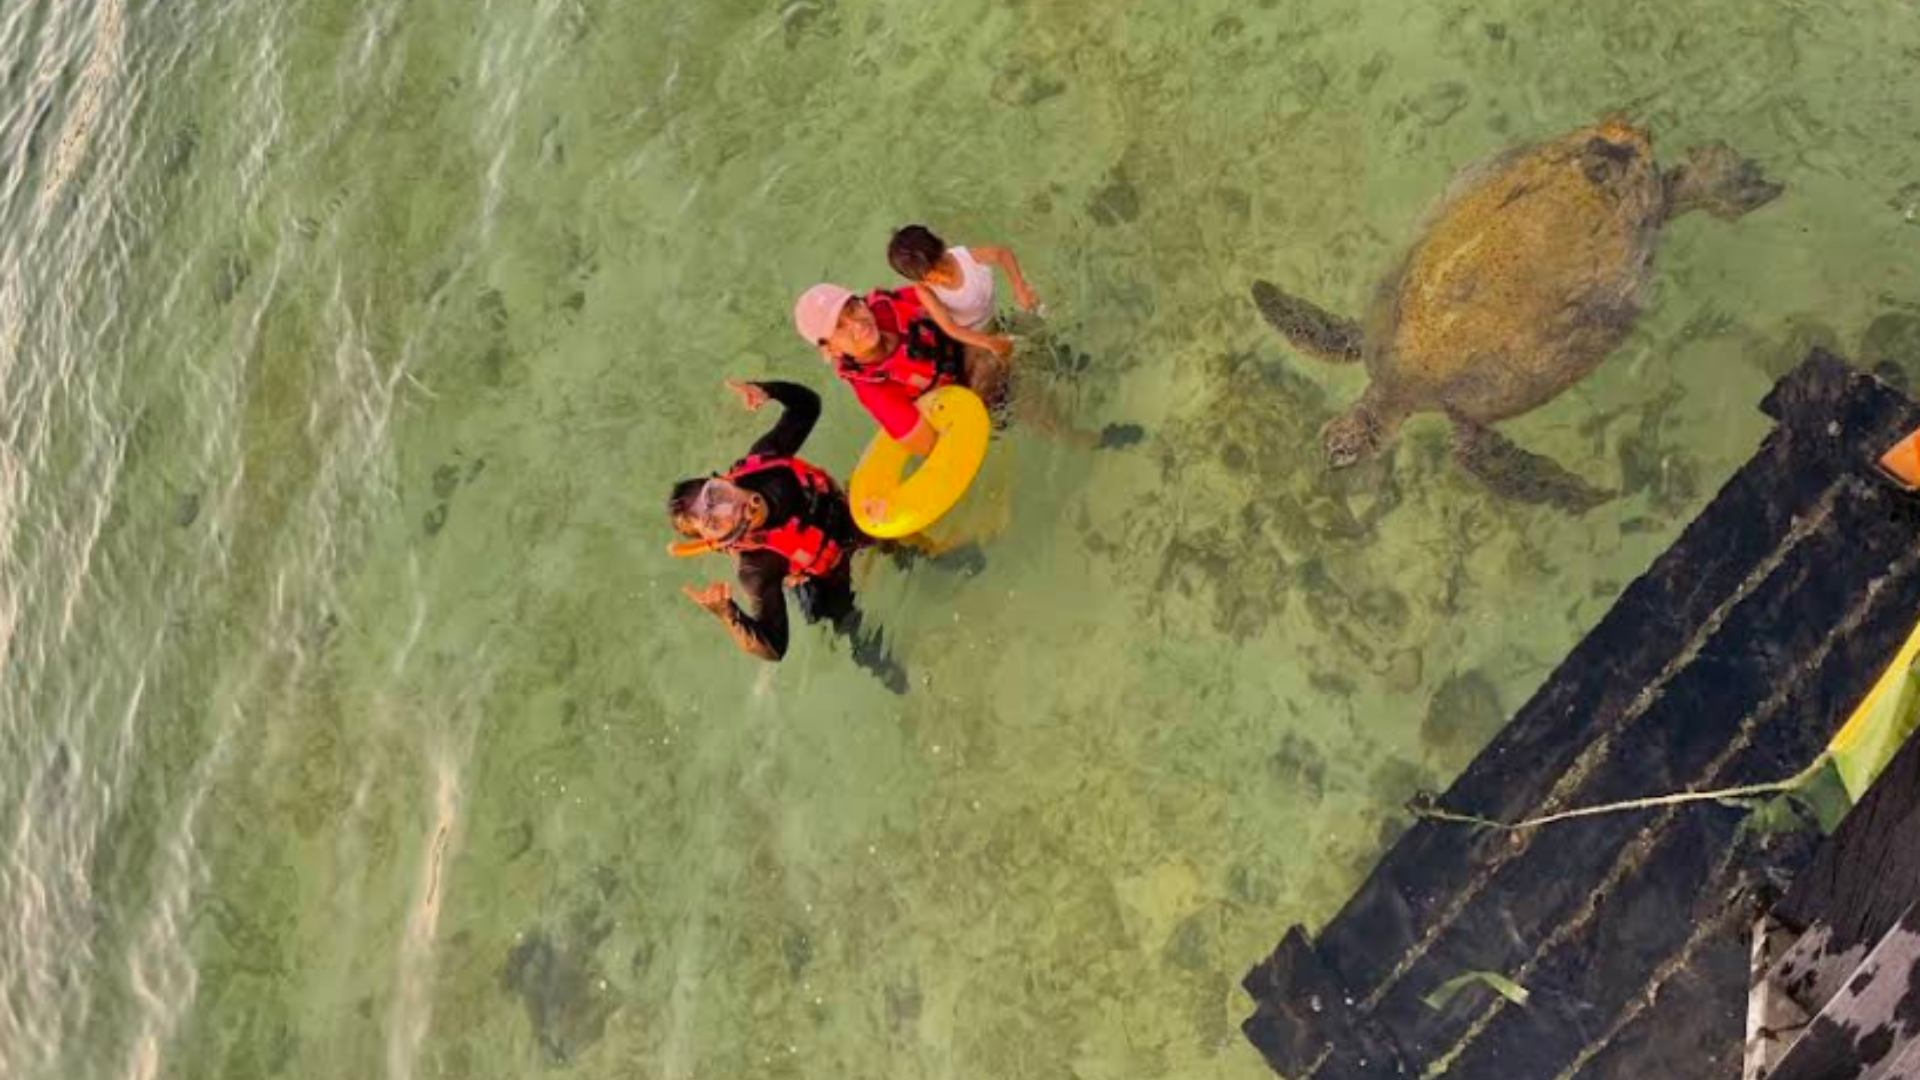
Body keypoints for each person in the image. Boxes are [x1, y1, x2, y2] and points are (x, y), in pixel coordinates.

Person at [668, 378, 908, 693]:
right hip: (826, 576)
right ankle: (887, 672)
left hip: (850, 519)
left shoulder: (766, 462)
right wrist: (727, 613)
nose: (729, 510)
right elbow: (773, 647)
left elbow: (808, 406)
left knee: (904, 545)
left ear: (724, 479)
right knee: (849, 626)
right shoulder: (757, 567)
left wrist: (768, 390)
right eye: (713, 521)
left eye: (716, 495)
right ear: (718, 541)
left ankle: (927, 557)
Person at [885, 225, 1038, 357]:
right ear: (919, 280)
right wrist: (987, 342)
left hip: (991, 315)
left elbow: (1003, 254)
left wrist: (1019, 287)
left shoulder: (965, 258)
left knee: (1033, 304)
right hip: (970, 335)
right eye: (932, 279)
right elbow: (951, 328)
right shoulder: (925, 291)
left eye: (942, 266)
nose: (943, 277)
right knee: (990, 373)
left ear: (943, 247)